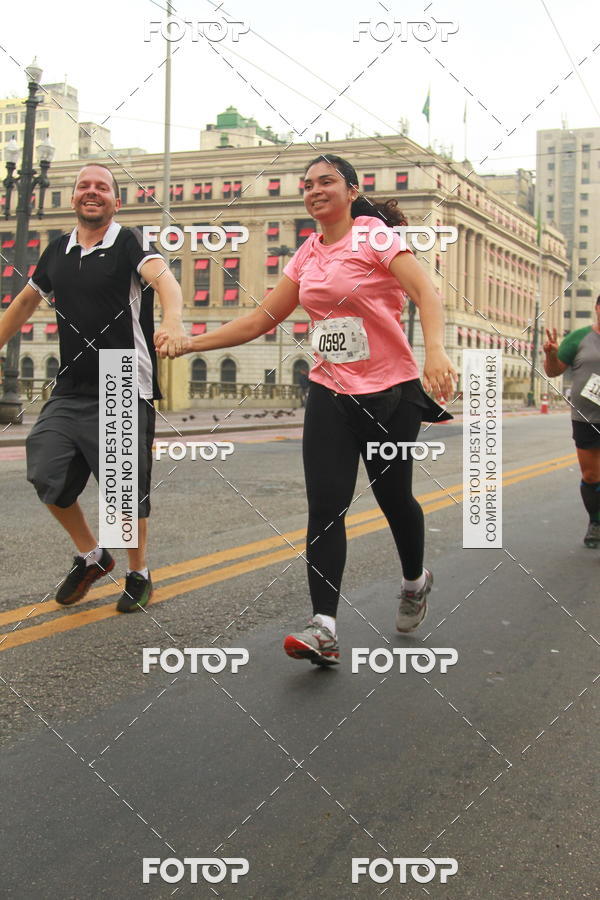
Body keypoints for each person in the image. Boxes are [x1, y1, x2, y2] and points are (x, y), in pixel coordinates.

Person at [164, 154, 456, 664]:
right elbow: (260, 319)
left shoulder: (375, 238)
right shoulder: (306, 255)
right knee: (326, 505)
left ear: (350, 190)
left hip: (389, 393)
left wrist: (436, 350)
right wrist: (190, 345)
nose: (314, 190)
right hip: (330, 390)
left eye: (326, 182)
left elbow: (425, 294)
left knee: (394, 499)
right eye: (306, 185)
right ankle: (324, 626)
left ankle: (415, 580)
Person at [0, 164, 185, 611]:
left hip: (122, 375)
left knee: (122, 490)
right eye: (84, 185)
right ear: (73, 198)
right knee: (45, 467)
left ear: (115, 202)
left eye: (102, 187)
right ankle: (93, 555)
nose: (92, 192)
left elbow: (165, 281)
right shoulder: (57, 250)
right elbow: (24, 301)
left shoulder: (128, 241)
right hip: (73, 381)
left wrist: (174, 321)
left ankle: (138, 572)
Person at [543, 295, 600, 548]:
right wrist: (552, 355)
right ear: (597, 309)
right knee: (590, 475)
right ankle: (596, 522)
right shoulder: (578, 338)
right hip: (585, 418)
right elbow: (553, 371)